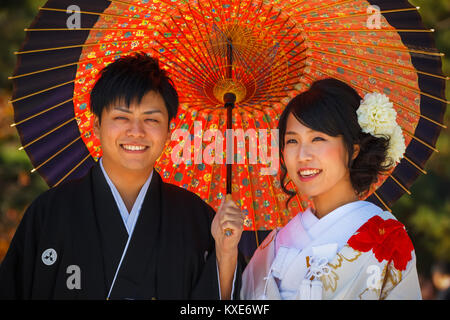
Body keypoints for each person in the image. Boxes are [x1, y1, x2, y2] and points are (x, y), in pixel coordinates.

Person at [0, 52, 245, 300]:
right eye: (121, 118)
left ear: (170, 130)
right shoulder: (49, 212)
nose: (136, 132)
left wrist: (225, 254)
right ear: (96, 124)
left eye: (151, 119)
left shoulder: (196, 217)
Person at [241, 78, 422, 300]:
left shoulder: (387, 239)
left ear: (353, 149)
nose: (302, 155)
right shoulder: (274, 244)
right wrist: (225, 257)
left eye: (318, 138)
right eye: (292, 141)